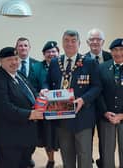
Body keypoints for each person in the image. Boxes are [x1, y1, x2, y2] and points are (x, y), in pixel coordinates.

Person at [41, 30, 101, 168]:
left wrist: (83, 100)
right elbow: (47, 81)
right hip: (61, 117)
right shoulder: (55, 62)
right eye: (67, 40)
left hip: (83, 117)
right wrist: (44, 89)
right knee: (67, 155)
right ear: (62, 43)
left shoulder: (89, 62)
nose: (70, 43)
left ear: (79, 43)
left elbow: (97, 87)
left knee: (84, 155)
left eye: (73, 41)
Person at [0, 47, 44, 168]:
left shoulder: (19, 75)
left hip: (24, 136)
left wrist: (42, 97)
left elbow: (32, 93)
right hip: (9, 139)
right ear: (1, 61)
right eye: (9, 59)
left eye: (16, 59)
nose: (14, 62)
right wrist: (30, 114)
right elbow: (4, 109)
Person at [85, 28, 112, 167]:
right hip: (88, 107)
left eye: (98, 39)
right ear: (87, 42)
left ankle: (104, 161)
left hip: (107, 107)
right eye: (92, 39)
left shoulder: (111, 57)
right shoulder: (81, 60)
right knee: (86, 138)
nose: (95, 42)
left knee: (105, 139)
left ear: (103, 42)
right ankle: (87, 161)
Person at [33, 41, 59, 168]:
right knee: (47, 136)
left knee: (63, 136)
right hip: (45, 110)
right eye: (48, 52)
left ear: (58, 53)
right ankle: (51, 160)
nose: (51, 54)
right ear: (44, 54)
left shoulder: (64, 65)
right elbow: (32, 86)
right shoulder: (36, 67)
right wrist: (39, 93)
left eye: (54, 51)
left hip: (62, 109)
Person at [98, 38, 123, 168]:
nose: (118, 53)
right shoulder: (102, 68)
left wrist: (121, 115)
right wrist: (105, 112)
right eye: (115, 50)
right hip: (107, 117)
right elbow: (98, 92)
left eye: (121, 49)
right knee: (107, 152)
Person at [15, 37, 39, 167]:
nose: (23, 48)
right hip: (19, 111)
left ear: (29, 48)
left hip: (35, 109)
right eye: (20, 46)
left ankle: (28, 157)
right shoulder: (12, 64)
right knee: (19, 138)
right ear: (16, 48)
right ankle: (20, 159)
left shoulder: (37, 64)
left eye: (25, 45)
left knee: (32, 139)